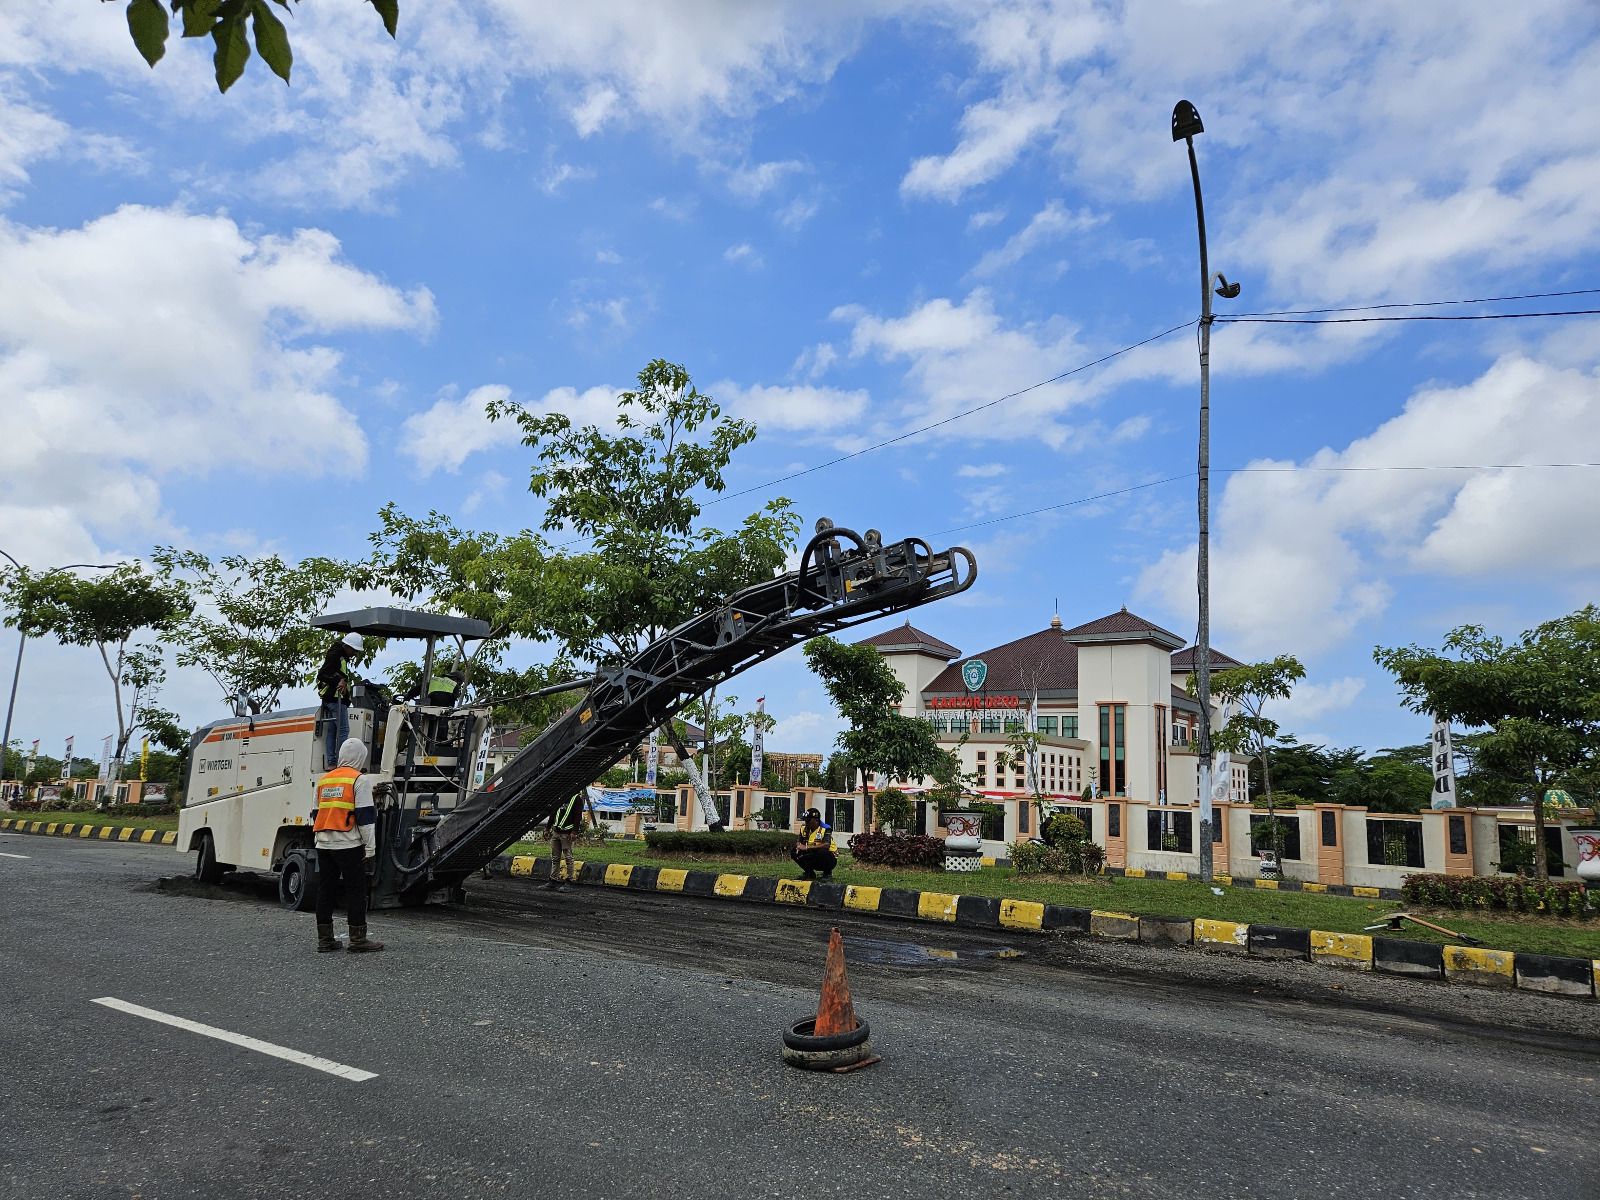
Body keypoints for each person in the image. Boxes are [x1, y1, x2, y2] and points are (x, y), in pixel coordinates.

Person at [311, 736, 384, 953]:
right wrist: (370, 848)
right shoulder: (358, 780)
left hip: (323, 844)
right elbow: (365, 818)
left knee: (326, 891)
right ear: (361, 757)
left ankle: (325, 940)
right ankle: (358, 940)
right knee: (355, 891)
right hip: (348, 845)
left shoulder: (324, 780)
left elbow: (315, 813)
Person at [316, 634, 363, 771]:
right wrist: (339, 680)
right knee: (343, 730)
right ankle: (342, 763)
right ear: (347, 646)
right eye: (354, 650)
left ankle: (332, 763)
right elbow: (323, 674)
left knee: (332, 730)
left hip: (331, 699)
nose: (354, 654)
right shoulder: (336, 655)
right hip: (335, 699)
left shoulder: (338, 654)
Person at [545, 793, 585, 891]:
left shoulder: (576, 798)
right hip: (556, 832)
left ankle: (570, 881)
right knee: (555, 857)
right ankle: (553, 880)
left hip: (566, 834)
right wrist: (547, 828)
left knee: (568, 858)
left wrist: (574, 832)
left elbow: (578, 816)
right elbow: (553, 813)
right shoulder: (560, 796)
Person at [792, 807, 836, 880]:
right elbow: (799, 840)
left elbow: (826, 845)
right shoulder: (804, 828)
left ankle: (827, 874)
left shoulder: (826, 828)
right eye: (805, 820)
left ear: (816, 820)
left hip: (830, 857)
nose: (806, 823)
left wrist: (806, 847)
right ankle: (809, 873)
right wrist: (798, 846)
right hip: (813, 854)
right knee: (794, 851)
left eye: (808, 821)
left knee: (822, 851)